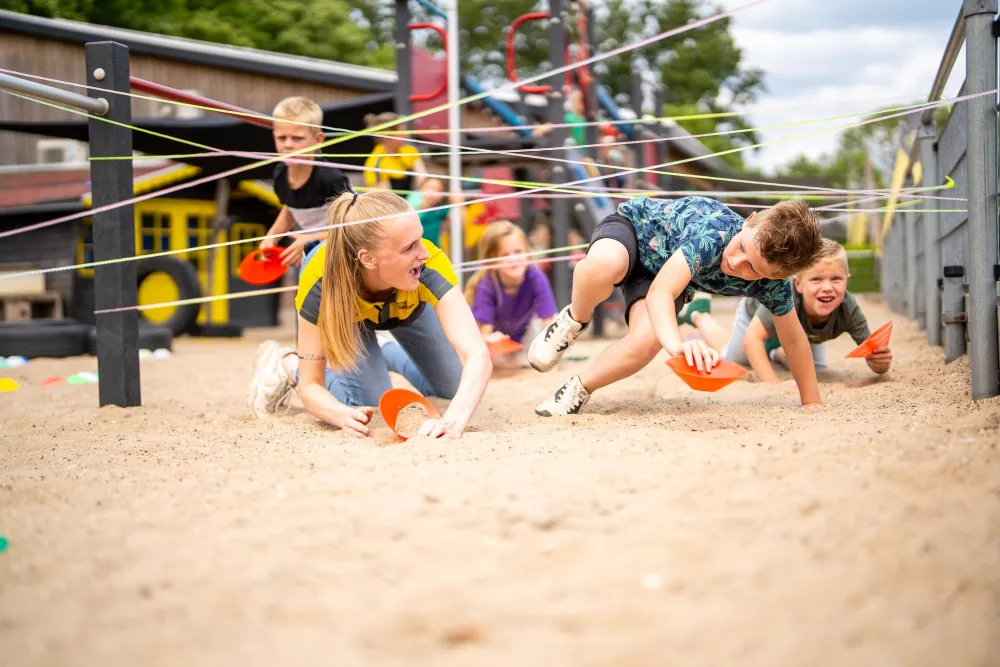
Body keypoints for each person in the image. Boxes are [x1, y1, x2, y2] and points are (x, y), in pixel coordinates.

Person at [527, 195, 824, 416]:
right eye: (742, 248)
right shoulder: (713, 234)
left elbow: (794, 340)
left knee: (649, 338)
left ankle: (579, 388)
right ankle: (574, 320)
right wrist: (679, 346)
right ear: (749, 221)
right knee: (605, 264)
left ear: (779, 276)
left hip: (660, 274)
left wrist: (811, 401)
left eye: (753, 269)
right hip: (634, 232)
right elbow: (661, 294)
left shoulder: (774, 284)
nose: (736, 263)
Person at [248, 191, 492, 439]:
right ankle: (287, 363)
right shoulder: (320, 280)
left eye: (419, 239)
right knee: (369, 400)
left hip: (405, 311)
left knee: (454, 386)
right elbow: (311, 385)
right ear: (368, 258)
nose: (424, 252)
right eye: (409, 246)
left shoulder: (428, 264)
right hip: (349, 318)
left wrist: (453, 420)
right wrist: (339, 413)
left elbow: (477, 354)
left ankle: (384, 350)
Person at [689, 239, 893, 383]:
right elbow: (752, 340)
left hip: (798, 334)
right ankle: (699, 313)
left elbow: (876, 363)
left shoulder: (849, 309)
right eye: (816, 279)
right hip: (756, 313)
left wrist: (880, 363)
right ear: (798, 284)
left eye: (836, 279)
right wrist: (773, 385)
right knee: (732, 360)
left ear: (846, 282)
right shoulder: (782, 296)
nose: (827, 287)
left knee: (816, 370)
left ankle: (776, 352)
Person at [260, 97, 352, 269]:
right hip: (308, 253)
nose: (288, 145)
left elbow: (354, 226)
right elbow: (291, 209)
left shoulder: (331, 178)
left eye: (297, 138)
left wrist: (311, 239)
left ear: (318, 139)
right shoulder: (280, 174)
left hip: (342, 257)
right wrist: (271, 237)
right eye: (282, 138)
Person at [464, 221, 557, 367]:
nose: (513, 259)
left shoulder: (536, 277)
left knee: (557, 333)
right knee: (485, 356)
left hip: (524, 339)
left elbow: (549, 321)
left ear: (527, 252)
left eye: (518, 252)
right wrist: (492, 341)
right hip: (497, 344)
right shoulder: (488, 284)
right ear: (491, 261)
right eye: (505, 254)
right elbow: (484, 335)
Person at [363, 112, 428, 194]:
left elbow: (423, 178)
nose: (406, 135)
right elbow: (384, 198)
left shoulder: (409, 150)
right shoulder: (375, 164)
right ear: (387, 136)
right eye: (402, 131)